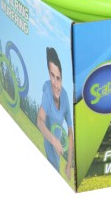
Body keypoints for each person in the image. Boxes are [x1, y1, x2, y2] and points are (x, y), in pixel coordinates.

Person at [37, 47, 74, 179]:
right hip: (49, 147)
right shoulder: (47, 92)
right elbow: (40, 121)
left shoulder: (65, 97)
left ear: (62, 79)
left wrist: (68, 164)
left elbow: (70, 132)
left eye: (58, 78)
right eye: (52, 76)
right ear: (49, 74)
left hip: (58, 152)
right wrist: (54, 141)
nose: (55, 83)